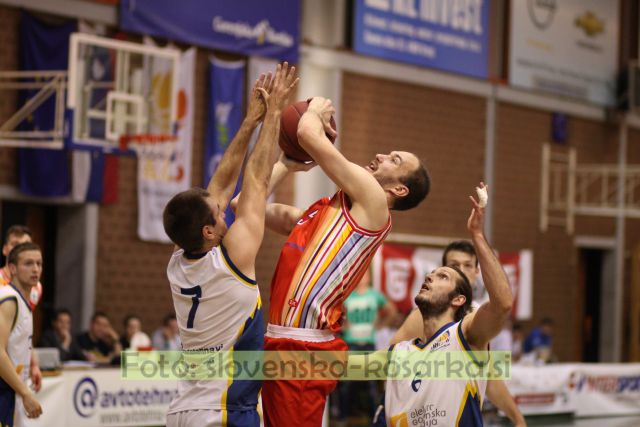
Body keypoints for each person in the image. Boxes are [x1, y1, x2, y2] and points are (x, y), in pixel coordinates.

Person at [261, 96, 430, 427]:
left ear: (399, 189)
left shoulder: (374, 203)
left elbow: (309, 135)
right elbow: (244, 207)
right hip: (283, 338)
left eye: (394, 160)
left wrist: (316, 111)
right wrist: (287, 164)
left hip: (303, 345)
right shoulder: (319, 213)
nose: (381, 155)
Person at [161, 62, 298, 427]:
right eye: (219, 215)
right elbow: (254, 179)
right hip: (222, 412)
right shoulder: (231, 261)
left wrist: (250, 120)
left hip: (182, 409)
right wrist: (274, 116)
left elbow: (220, 187)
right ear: (208, 231)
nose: (225, 213)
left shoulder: (178, 262)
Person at [384, 184, 513, 426]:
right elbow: (355, 366)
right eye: (433, 273)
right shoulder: (403, 350)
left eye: (442, 276)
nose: (430, 277)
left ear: (459, 298)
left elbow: (503, 304)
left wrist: (476, 234)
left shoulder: (467, 330)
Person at [389, 238, 526, 426]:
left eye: (467, 265)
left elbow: (490, 377)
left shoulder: (477, 315)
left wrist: (517, 417)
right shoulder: (423, 315)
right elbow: (387, 361)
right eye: (454, 265)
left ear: (478, 271)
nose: (461, 269)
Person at [338, 269, 396, 421]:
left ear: (369, 277)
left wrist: (380, 325)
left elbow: (392, 311)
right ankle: (342, 418)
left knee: (371, 383)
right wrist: (343, 326)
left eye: (365, 274)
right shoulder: (348, 295)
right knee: (346, 382)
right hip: (351, 342)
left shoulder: (375, 295)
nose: (362, 278)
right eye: (360, 274)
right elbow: (336, 314)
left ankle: (374, 419)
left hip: (369, 343)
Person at [0, 242, 43, 425]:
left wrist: (33, 364)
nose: (35, 269)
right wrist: (25, 393)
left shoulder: (24, 300)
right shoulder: (8, 300)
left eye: (39, 264)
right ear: (12, 268)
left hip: (11, 390)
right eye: (28, 263)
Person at [0, 226, 42, 309]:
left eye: (26, 245)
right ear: (5, 249)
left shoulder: (37, 287)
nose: (21, 250)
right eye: (15, 245)